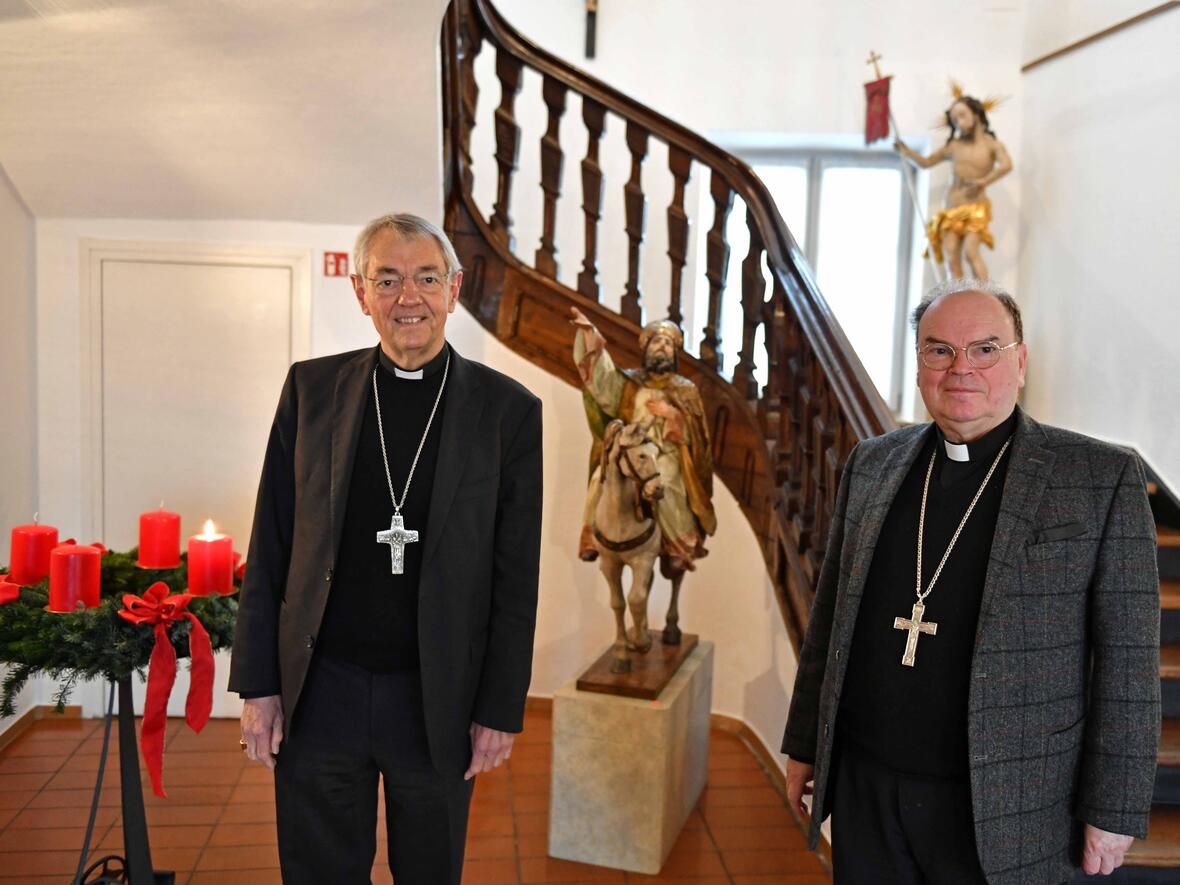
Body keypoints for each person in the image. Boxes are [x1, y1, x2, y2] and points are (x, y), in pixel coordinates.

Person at [781, 279, 1159, 883]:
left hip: (1011, 803)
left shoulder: (1099, 477)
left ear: (1021, 361)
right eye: (939, 350)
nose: (961, 369)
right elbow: (830, 621)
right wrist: (806, 744)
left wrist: (1113, 808)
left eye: (986, 349)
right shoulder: (872, 463)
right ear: (920, 362)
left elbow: (1129, 662)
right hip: (867, 788)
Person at [229, 213, 543, 884]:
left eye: (427, 278)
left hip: (438, 696)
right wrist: (258, 683)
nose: (410, 298)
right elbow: (272, 542)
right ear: (360, 292)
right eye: (389, 279)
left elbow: (516, 577)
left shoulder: (508, 411)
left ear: (454, 290)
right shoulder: (312, 392)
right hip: (322, 690)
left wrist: (499, 706)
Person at [568, 306, 716, 574]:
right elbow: (602, 384)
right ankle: (592, 536)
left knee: (668, 482)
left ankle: (676, 546)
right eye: (656, 342)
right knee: (601, 477)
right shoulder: (629, 383)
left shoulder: (685, 390)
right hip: (631, 450)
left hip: (668, 452)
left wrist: (673, 416)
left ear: (674, 353)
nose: (662, 348)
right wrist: (590, 335)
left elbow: (699, 438)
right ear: (646, 348)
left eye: (668, 344)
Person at [896, 92, 1013, 279]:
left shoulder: (992, 146)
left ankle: (985, 297)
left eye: (962, 115)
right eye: (954, 118)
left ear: (976, 114)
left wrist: (985, 181)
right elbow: (926, 162)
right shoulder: (954, 147)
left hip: (975, 205)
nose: (958, 121)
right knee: (951, 256)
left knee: (970, 252)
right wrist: (907, 152)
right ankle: (955, 299)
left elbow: (1007, 165)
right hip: (951, 206)